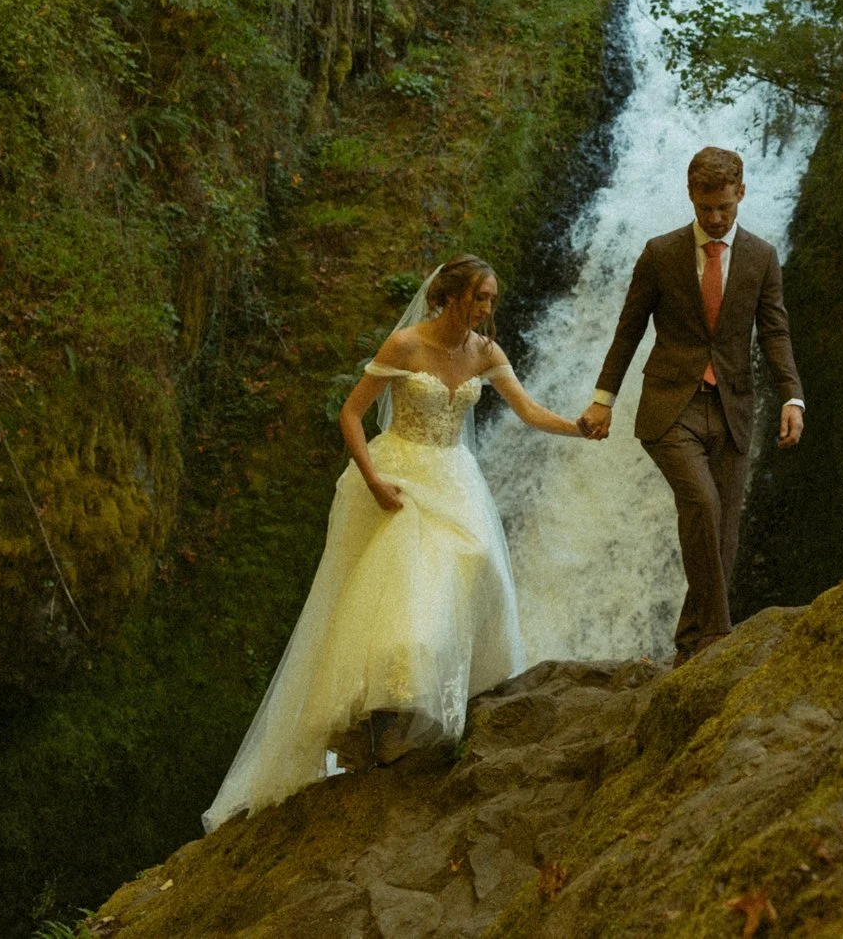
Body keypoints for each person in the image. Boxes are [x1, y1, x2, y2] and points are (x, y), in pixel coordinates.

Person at [202, 256, 582, 831]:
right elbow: (352, 413)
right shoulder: (406, 344)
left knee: (476, 561)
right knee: (402, 591)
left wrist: (581, 427)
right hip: (399, 476)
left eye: (492, 299)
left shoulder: (484, 352)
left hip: (455, 478)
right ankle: (379, 725)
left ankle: (445, 707)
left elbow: (527, 410)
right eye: (480, 297)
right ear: (449, 297)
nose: (487, 309)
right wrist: (374, 479)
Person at [577, 147, 805, 667]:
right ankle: (721, 639)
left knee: (723, 532)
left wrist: (792, 395)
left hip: (732, 408)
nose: (716, 218)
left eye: (724, 206)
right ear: (691, 197)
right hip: (670, 407)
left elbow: (774, 331)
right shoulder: (660, 253)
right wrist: (602, 400)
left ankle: (688, 648)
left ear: (740, 194)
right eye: (706, 208)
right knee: (702, 505)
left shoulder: (761, 257)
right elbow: (629, 329)